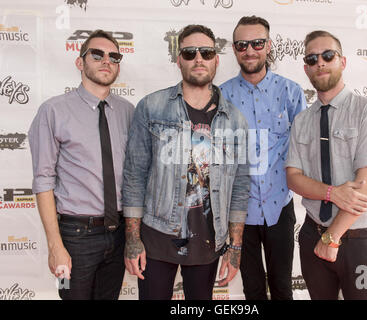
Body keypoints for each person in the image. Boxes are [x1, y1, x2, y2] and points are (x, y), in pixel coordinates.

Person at [122, 24, 250, 300]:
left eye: (206, 52)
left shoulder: (235, 119)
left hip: (208, 240)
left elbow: (240, 187)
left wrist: (235, 247)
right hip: (156, 236)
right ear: (179, 60)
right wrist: (132, 240)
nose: (198, 59)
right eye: (190, 53)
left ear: (216, 59)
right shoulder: (151, 107)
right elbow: (134, 175)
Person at [28, 30, 134, 300]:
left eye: (114, 56)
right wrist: (55, 246)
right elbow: (43, 180)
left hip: (118, 232)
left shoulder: (128, 112)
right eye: (96, 54)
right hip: (74, 237)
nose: (106, 61)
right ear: (80, 62)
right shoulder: (53, 111)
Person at [285, 30, 367, 300]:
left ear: (342, 62)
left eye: (328, 55)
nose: (320, 62)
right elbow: (293, 178)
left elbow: (366, 183)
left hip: (359, 240)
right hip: (311, 234)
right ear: (306, 68)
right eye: (312, 58)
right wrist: (331, 193)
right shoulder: (302, 121)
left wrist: (332, 237)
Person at [220, 15, 306, 300]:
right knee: (252, 288)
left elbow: (305, 150)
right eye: (242, 44)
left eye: (257, 43)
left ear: (268, 45)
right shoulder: (221, 96)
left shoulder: (292, 93)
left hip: (279, 206)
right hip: (239, 210)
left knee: (283, 286)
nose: (250, 50)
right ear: (234, 49)